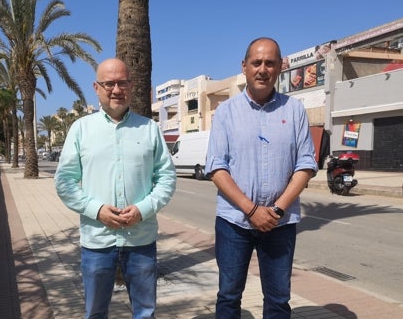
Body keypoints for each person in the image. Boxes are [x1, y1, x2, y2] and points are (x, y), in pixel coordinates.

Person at [204, 37, 318, 318]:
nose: (263, 69)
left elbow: (305, 165)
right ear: (245, 67)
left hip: (280, 224)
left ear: (280, 67)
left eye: (270, 63)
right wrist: (252, 210)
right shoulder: (226, 113)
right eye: (257, 62)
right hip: (234, 223)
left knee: (278, 299)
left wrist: (276, 210)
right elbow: (217, 169)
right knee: (229, 296)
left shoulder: (294, 111)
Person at [54, 58, 177, 319]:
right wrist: (96, 210)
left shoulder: (150, 129)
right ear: (96, 88)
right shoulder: (80, 130)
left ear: (131, 86)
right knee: (95, 313)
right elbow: (64, 181)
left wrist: (143, 210)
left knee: (145, 312)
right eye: (109, 83)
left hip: (141, 240)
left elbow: (167, 177)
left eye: (122, 83)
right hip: (97, 242)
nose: (116, 89)